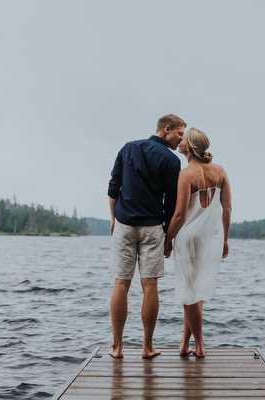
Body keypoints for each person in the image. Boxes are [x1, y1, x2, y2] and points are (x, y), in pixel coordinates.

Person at [107, 114, 186, 359]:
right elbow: (171, 205)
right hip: (153, 227)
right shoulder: (172, 161)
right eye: (180, 134)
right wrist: (169, 238)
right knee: (150, 285)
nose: (181, 140)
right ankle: (147, 347)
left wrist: (113, 219)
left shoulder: (128, 147)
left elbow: (113, 186)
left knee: (121, 282)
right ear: (167, 129)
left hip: (125, 223)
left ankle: (117, 348)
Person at [163, 127, 232, 358]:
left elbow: (180, 215)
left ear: (190, 148)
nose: (180, 141)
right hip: (210, 238)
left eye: (183, 140)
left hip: (188, 238)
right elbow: (227, 208)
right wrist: (225, 238)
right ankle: (184, 344)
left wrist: (167, 240)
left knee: (188, 293)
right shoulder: (220, 171)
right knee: (195, 292)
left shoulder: (186, 174)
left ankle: (200, 345)